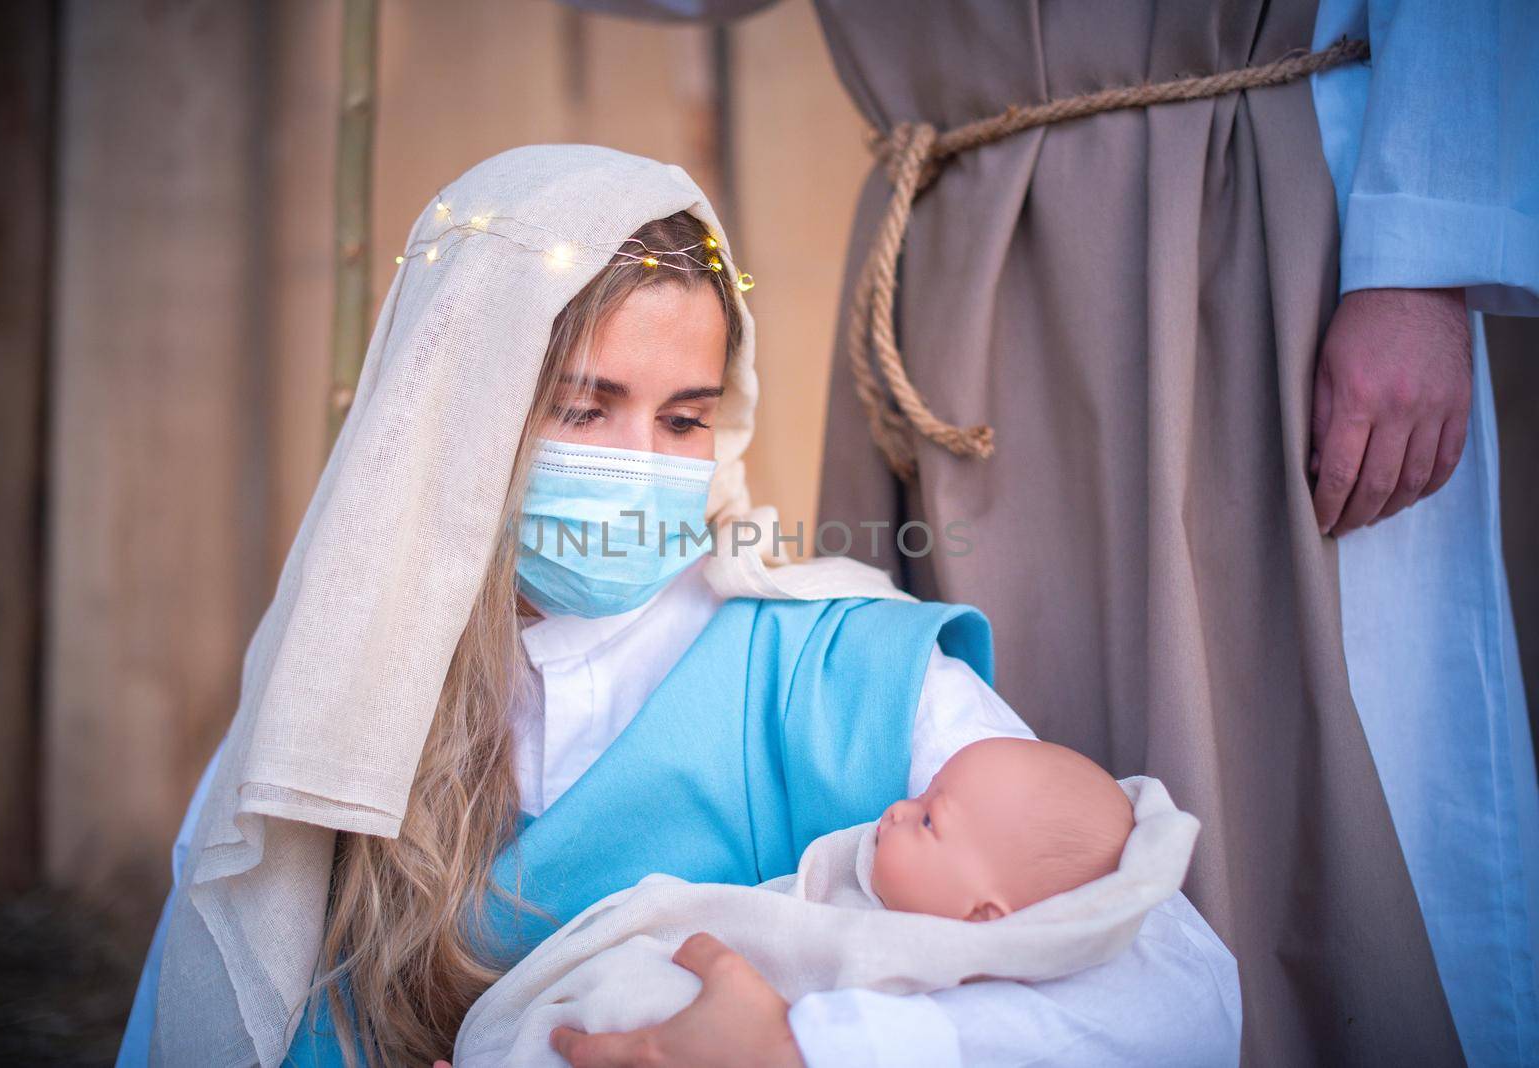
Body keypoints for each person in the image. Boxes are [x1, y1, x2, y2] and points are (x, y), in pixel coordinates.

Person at [119, 146, 1239, 1067]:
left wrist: (807, 1051)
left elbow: (1183, 993)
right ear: (455, 415)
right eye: (583, 408)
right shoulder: (331, 705)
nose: (639, 462)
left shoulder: (839, 672)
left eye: (683, 420)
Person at [568, 0, 1539, 1063]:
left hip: (1240, 206)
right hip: (956, 233)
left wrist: (1416, 254)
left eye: (682, 418)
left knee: (1276, 733)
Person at [453, 738, 1198, 1067]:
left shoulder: (942, 962)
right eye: (919, 794)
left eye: (931, 819)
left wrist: (800, 1045)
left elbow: (1195, 1012)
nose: (897, 812)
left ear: (984, 917)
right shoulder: (864, 882)